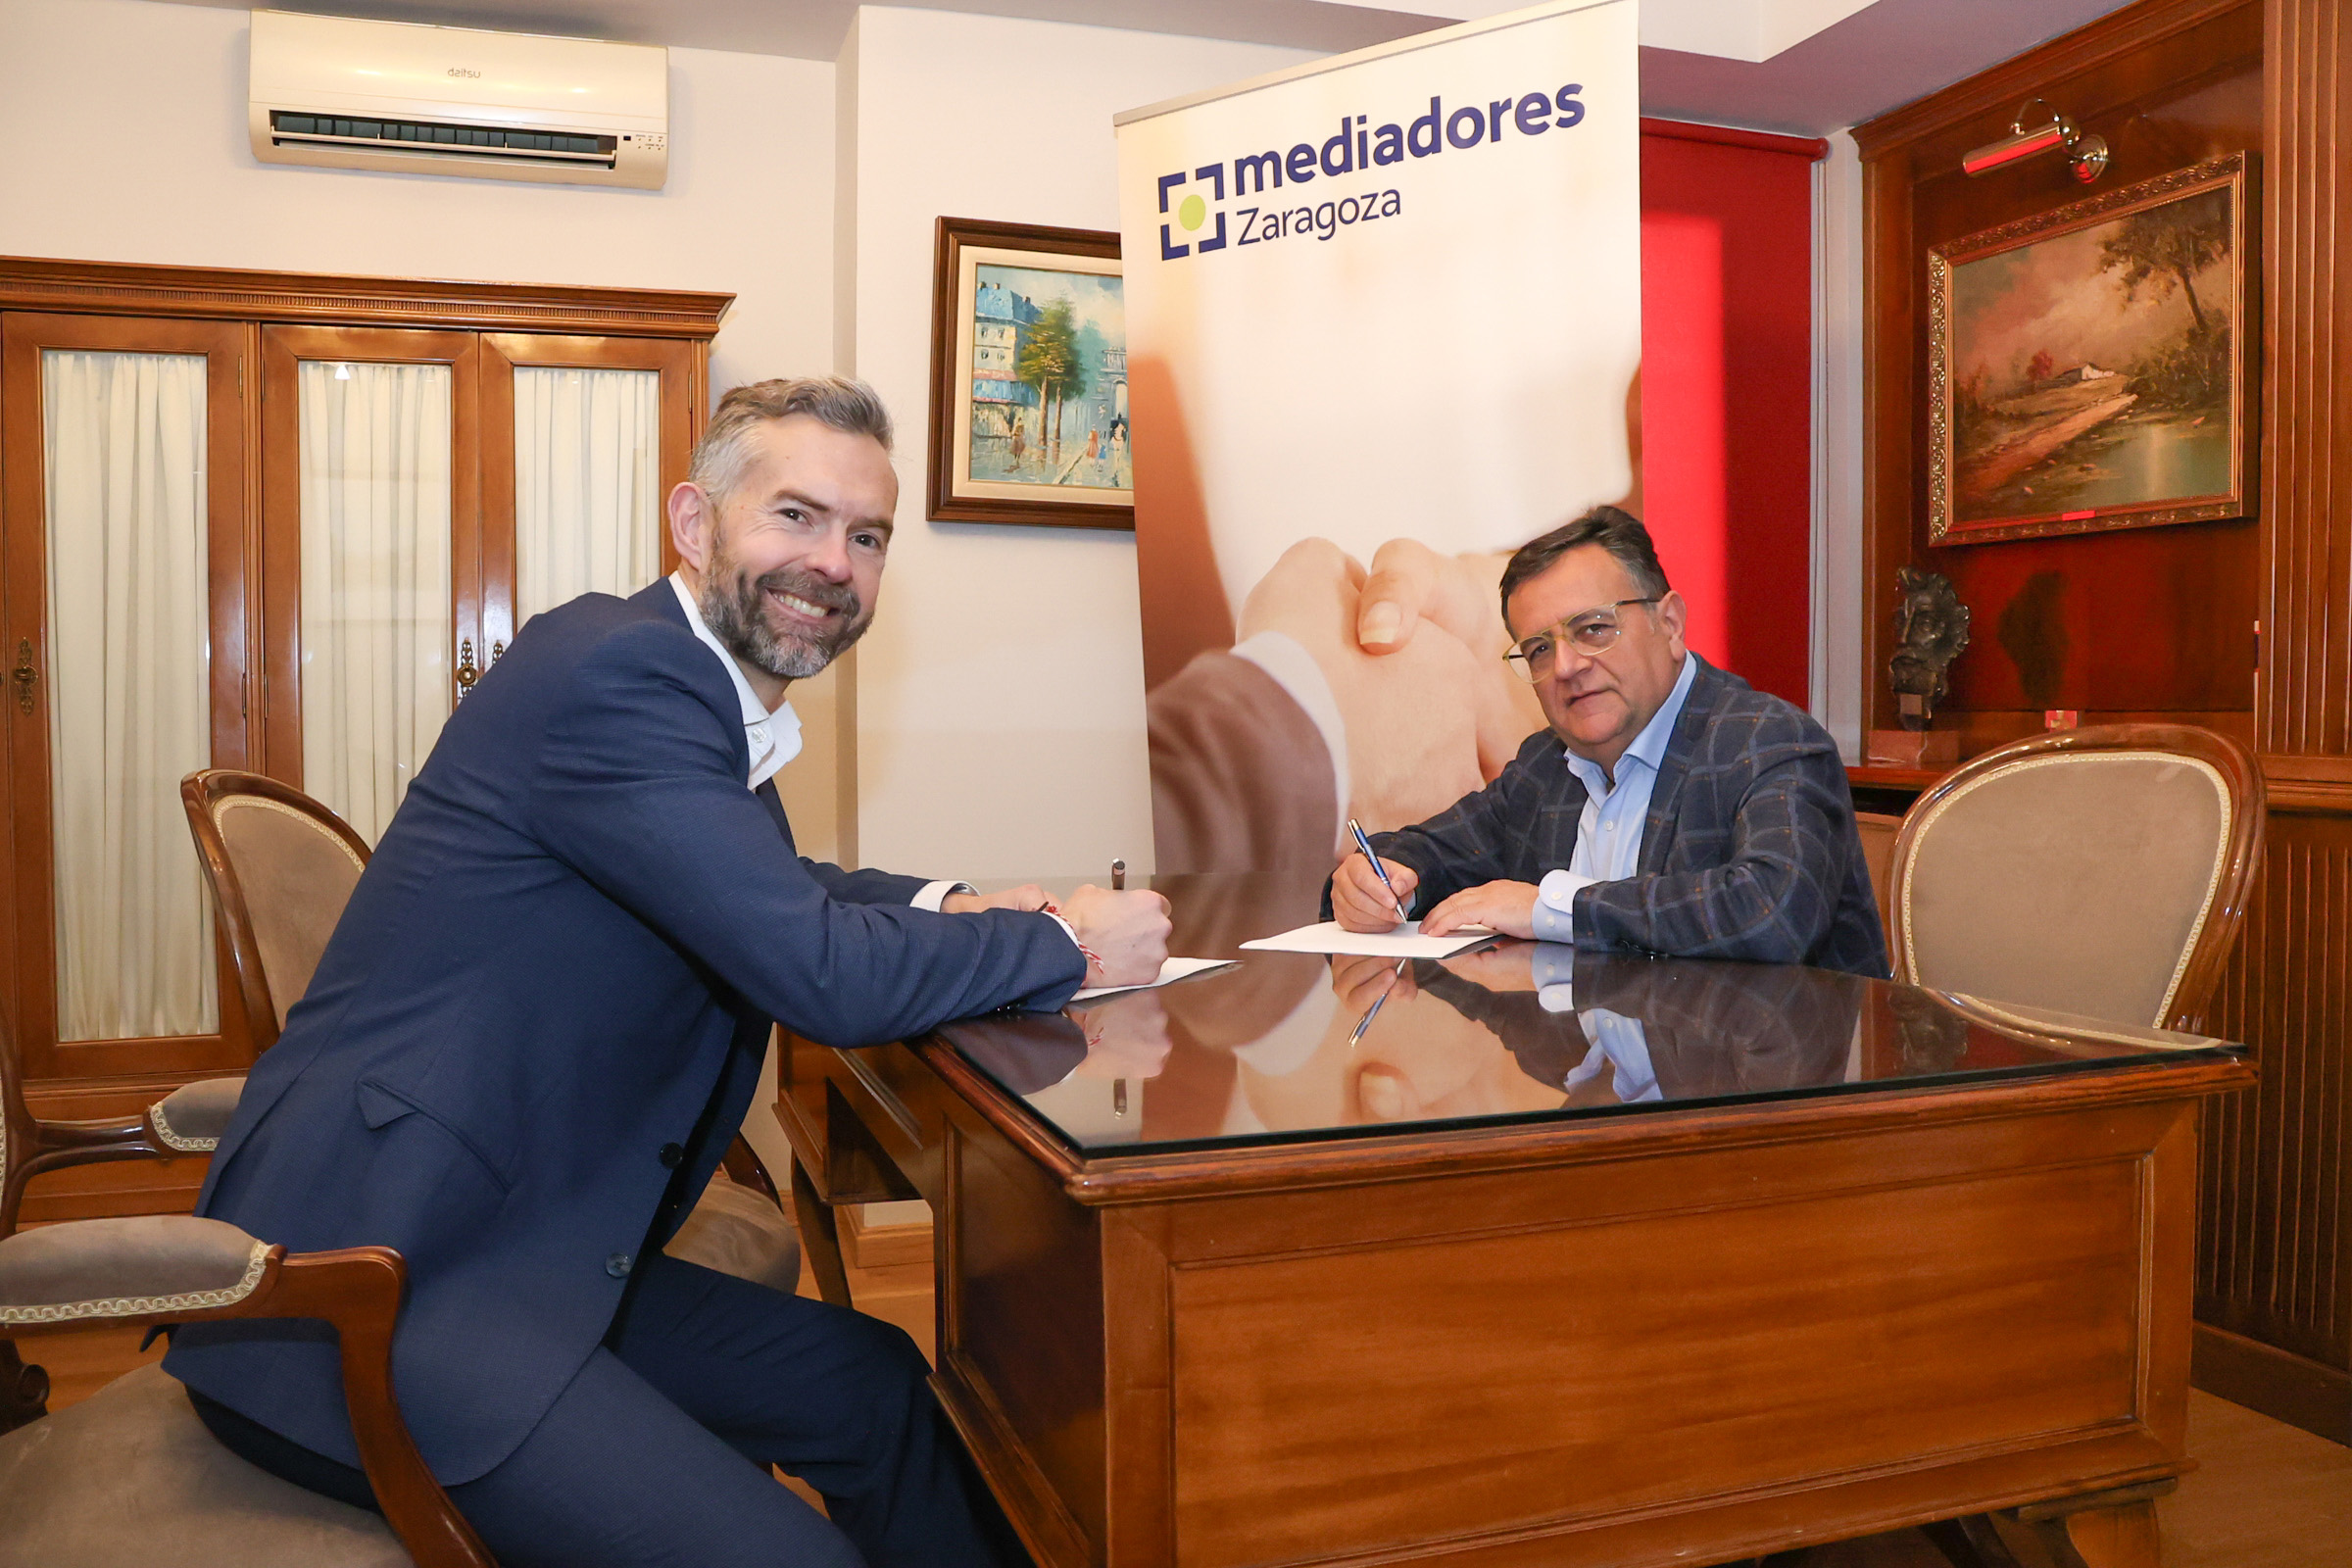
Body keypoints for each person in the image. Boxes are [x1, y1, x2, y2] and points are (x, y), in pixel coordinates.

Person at [164, 376, 1171, 1568]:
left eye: (867, 536)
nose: (833, 563)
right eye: (795, 516)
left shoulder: (678, 684)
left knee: (872, 1385)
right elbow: (816, 967)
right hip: (372, 1295)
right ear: (696, 523)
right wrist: (1068, 945)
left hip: (517, 1243)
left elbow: (777, 887)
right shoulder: (623, 674)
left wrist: (961, 903)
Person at [1328, 507, 1886, 977]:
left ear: (1670, 624)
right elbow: (1434, 852)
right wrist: (1379, 880)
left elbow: (1771, 914)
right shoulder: (1547, 766)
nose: (1566, 666)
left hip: (1769, 1072)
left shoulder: (1769, 743)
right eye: (1540, 649)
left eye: (1593, 628)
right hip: (1598, 1066)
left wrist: (1551, 907)